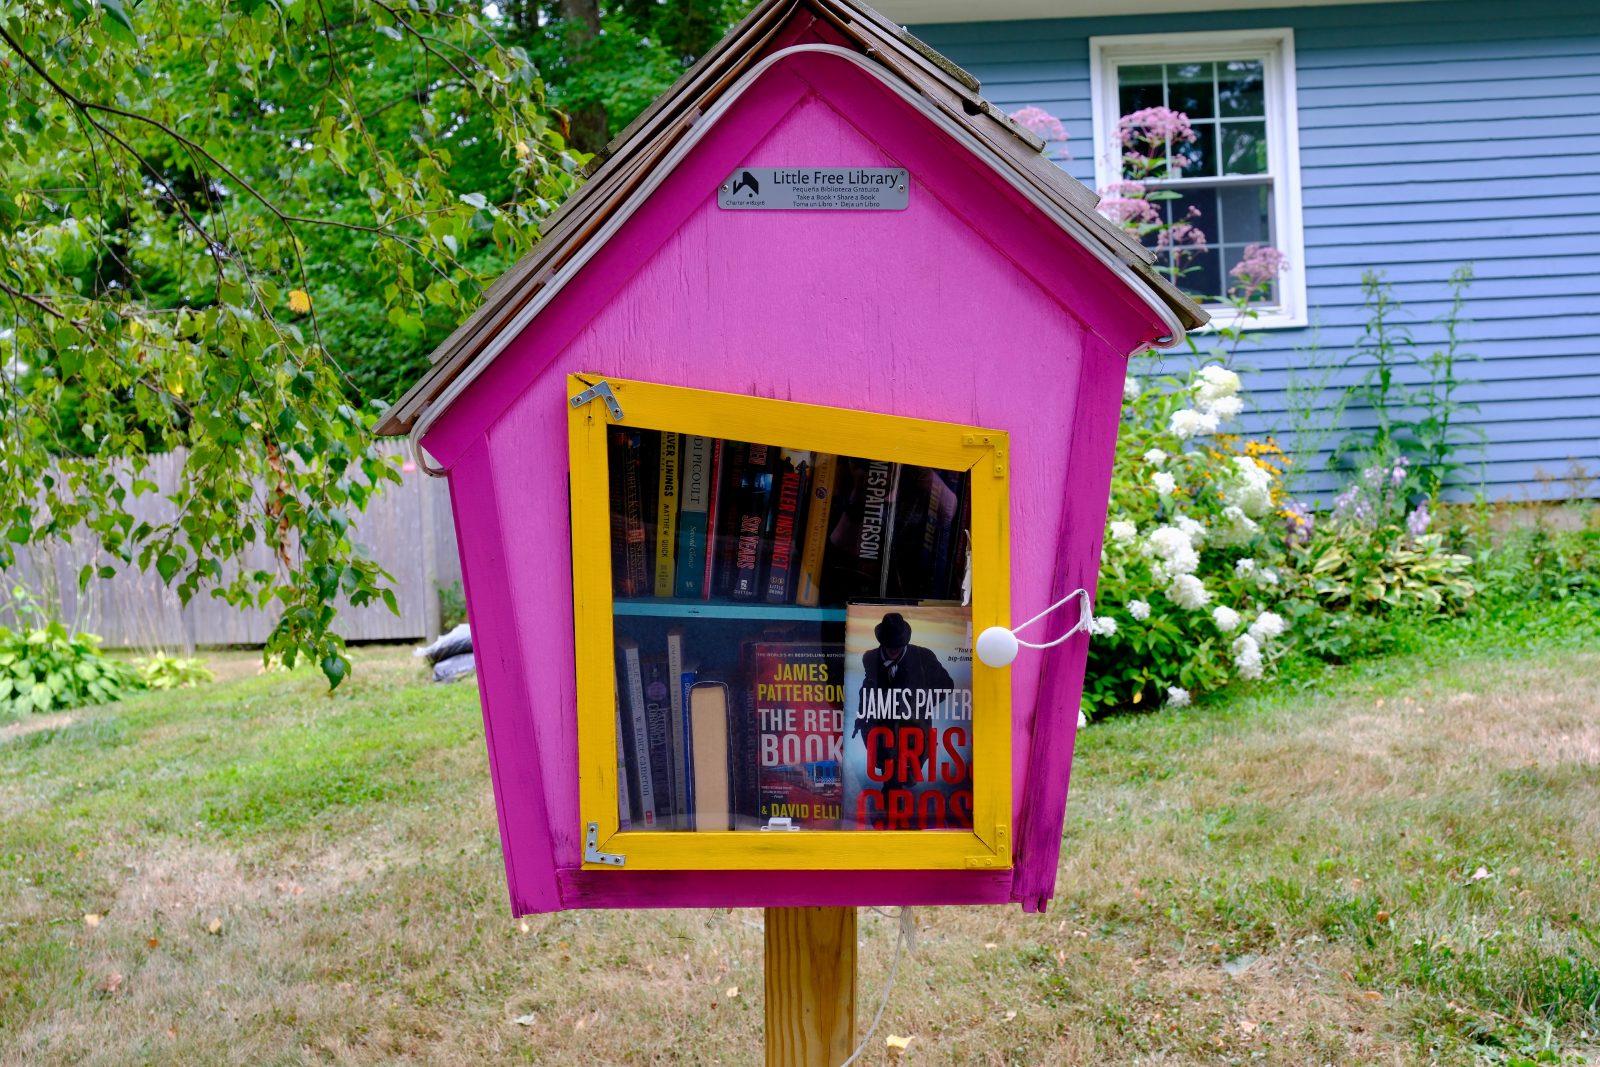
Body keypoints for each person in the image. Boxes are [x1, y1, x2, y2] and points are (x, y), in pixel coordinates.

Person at [853, 612, 953, 823]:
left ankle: (902, 802)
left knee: (908, 772)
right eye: (888, 647)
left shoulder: (923, 656)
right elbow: (867, 687)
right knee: (889, 769)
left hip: (913, 726)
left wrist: (918, 704)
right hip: (882, 726)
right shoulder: (869, 657)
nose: (892, 651)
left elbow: (946, 685)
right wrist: (861, 716)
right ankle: (890, 813)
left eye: (896, 647)